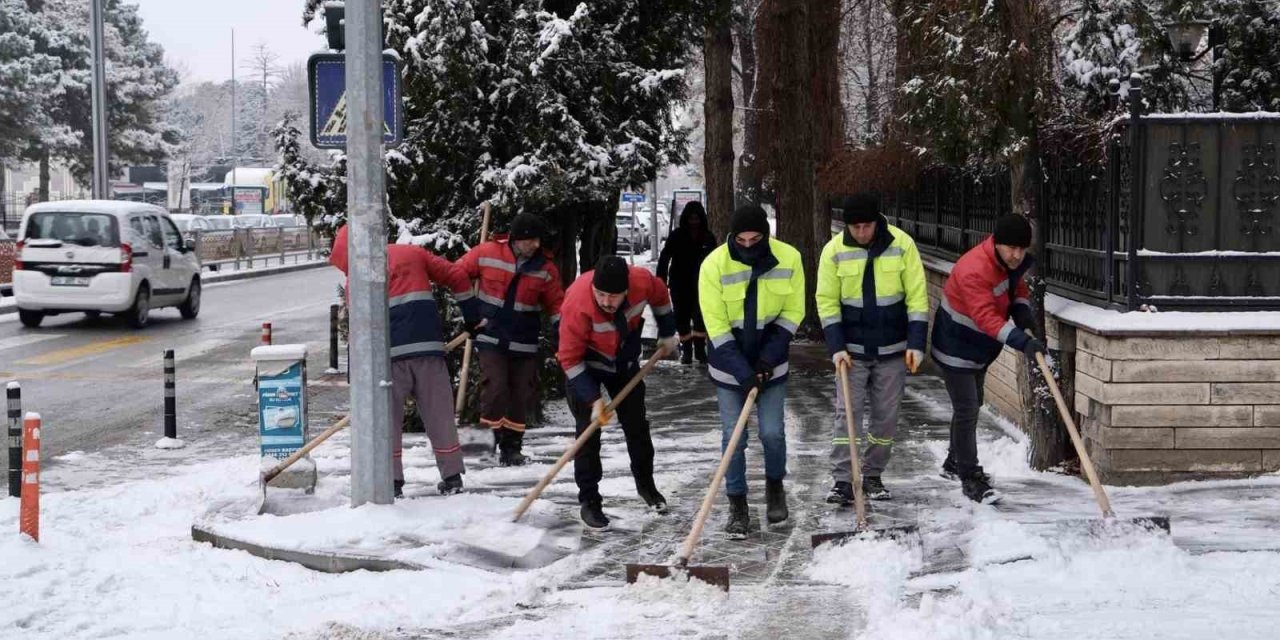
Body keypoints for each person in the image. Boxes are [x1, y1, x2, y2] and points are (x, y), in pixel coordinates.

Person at [329, 224, 478, 498]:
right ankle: (452, 477)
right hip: (427, 349)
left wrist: (358, 374)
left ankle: (392, 482)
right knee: (440, 415)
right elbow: (457, 275)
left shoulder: (357, 280)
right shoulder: (411, 254)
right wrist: (472, 316)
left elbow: (359, 333)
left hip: (387, 361)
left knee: (387, 420)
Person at [699, 205, 805, 538]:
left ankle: (775, 487)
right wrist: (743, 372)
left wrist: (765, 363)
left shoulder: (789, 259)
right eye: (740, 239)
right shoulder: (713, 265)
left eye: (755, 239)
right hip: (730, 368)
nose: (747, 245)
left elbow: (792, 313)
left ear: (766, 235)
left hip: (770, 364)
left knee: (772, 432)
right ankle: (737, 503)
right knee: (734, 436)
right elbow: (716, 326)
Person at [817, 194, 929, 504]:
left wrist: (917, 343)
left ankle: (873, 475)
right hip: (850, 352)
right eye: (855, 227)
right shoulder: (834, 252)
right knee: (846, 416)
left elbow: (917, 297)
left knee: (886, 417)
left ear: (876, 222)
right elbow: (826, 302)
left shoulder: (902, 245)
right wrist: (836, 347)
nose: (862, 233)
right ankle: (842, 479)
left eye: (866, 226)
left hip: (893, 349)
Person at [557, 256, 679, 529]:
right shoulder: (577, 303)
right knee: (588, 432)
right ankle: (589, 500)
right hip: (585, 365)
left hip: (624, 362)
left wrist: (668, 332)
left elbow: (661, 296)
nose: (606, 302)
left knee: (637, 425)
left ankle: (647, 486)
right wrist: (594, 399)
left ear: (626, 290)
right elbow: (569, 359)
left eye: (613, 296)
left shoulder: (642, 281)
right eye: (600, 294)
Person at [930, 213, 1044, 503]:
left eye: (1022, 249)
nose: (1017, 255)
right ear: (996, 243)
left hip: (978, 349)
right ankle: (970, 477)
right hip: (955, 347)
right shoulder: (974, 269)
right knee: (967, 408)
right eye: (1011, 248)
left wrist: (1022, 312)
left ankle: (954, 461)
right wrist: (1022, 341)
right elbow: (985, 318)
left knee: (972, 403)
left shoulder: (1007, 263)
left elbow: (1015, 286)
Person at [458, 213, 565, 466]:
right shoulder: (486, 253)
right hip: (490, 335)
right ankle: (483, 447)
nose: (536, 245)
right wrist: (470, 313)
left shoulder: (545, 269)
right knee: (495, 388)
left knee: (521, 394)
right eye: (531, 240)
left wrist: (564, 332)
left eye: (539, 240)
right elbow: (457, 274)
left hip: (523, 340)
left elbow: (557, 305)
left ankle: (512, 448)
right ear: (517, 239)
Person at [656, 201, 718, 365]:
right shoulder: (677, 235)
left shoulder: (708, 237)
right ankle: (687, 351)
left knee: (700, 318)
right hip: (679, 283)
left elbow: (716, 260)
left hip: (702, 284)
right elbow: (665, 256)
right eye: (691, 219)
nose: (694, 222)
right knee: (681, 317)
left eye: (697, 219)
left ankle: (699, 350)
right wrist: (661, 279)